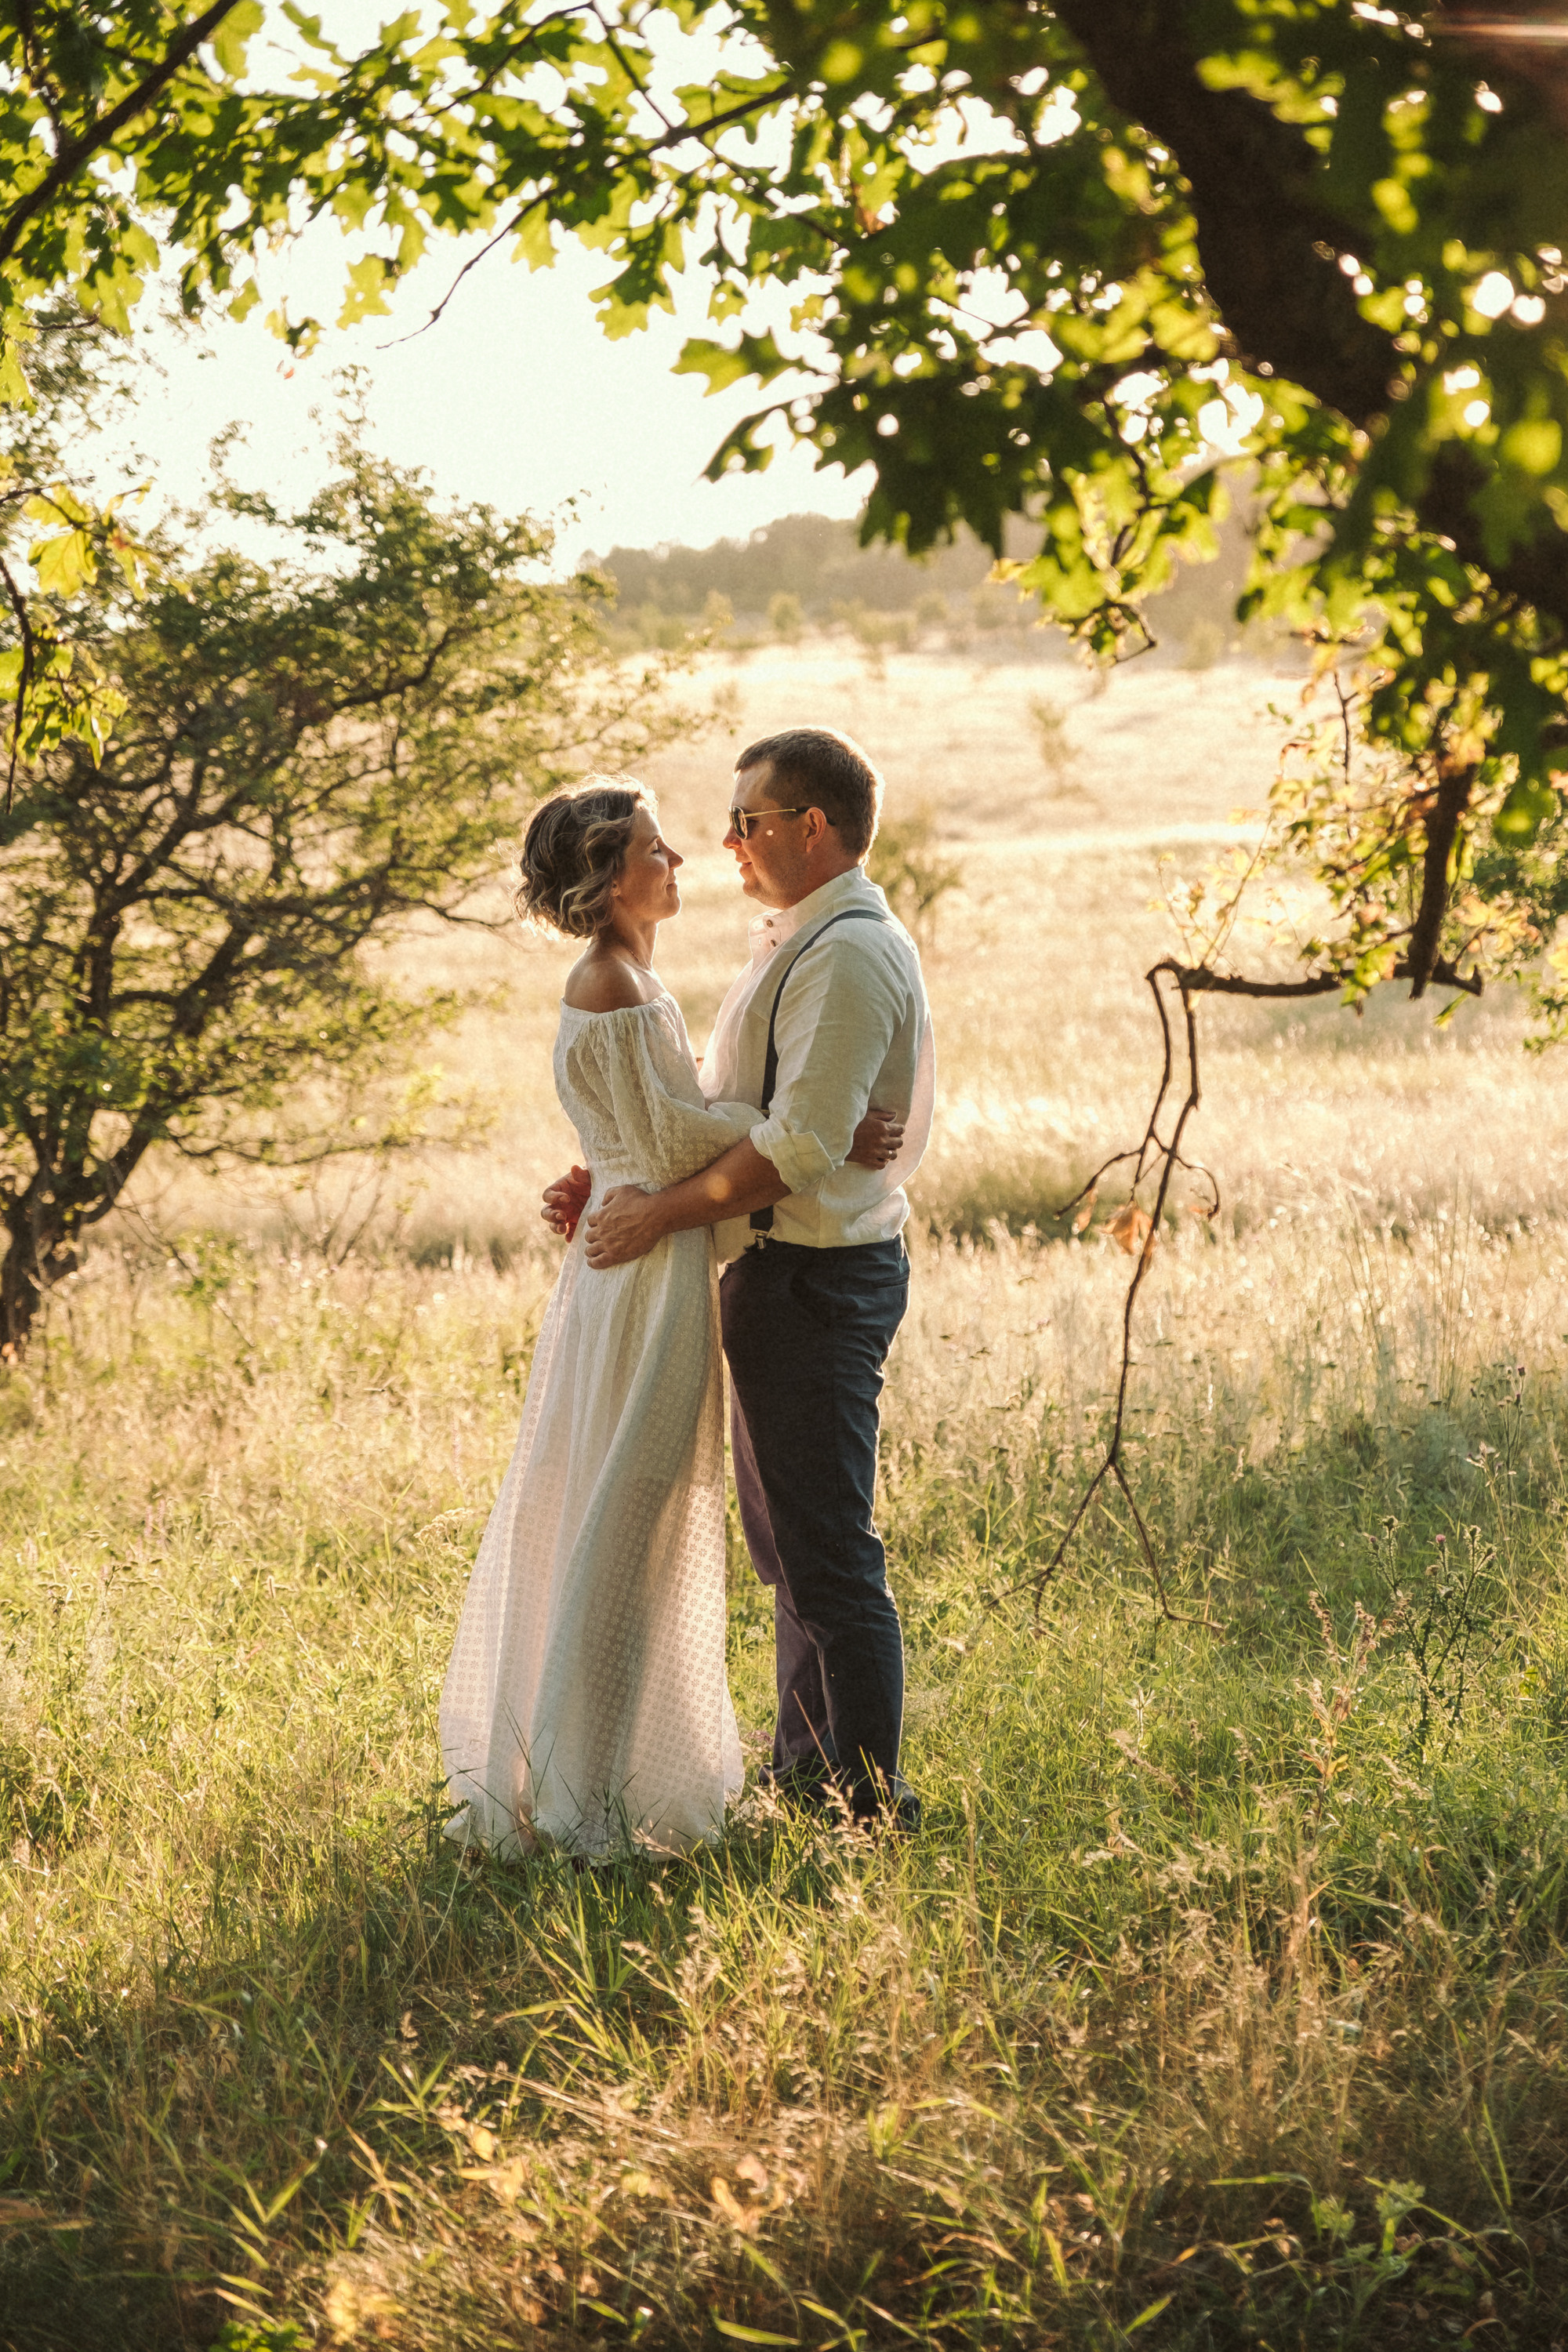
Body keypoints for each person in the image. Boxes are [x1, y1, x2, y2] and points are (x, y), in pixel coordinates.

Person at [439, 776, 901, 1860]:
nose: (683, 858)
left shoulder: (634, 977)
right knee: (624, 1517)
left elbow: (650, 1134)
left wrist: (613, 1173)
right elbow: (670, 1143)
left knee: (634, 1514)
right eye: (656, 848)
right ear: (607, 878)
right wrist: (820, 1128)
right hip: (644, 1278)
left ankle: (594, 1768)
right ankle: (576, 1788)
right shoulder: (611, 982)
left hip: (650, 1257)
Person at [549, 728, 934, 1831]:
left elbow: (803, 1144)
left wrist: (655, 1209)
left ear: (813, 828)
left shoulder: (849, 951)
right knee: (787, 1551)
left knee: (826, 1551)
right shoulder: (793, 939)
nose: (727, 843)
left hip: (816, 1275)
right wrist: (612, 1174)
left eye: (750, 822)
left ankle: (865, 1808)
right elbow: (723, 1106)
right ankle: (808, 1770)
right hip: (766, 1268)